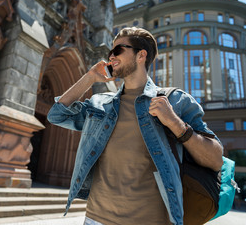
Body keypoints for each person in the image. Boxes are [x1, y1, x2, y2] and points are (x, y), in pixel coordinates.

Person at [47, 27, 223, 225]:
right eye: (110, 52)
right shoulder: (100, 103)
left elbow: (216, 159)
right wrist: (90, 77)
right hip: (95, 219)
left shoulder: (174, 100)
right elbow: (57, 115)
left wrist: (175, 123)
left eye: (118, 50)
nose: (111, 56)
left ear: (141, 55)